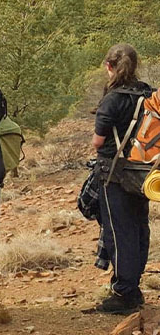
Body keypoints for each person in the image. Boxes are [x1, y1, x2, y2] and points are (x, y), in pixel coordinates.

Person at [93, 43, 153, 314]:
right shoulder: (148, 93)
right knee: (139, 228)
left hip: (114, 173)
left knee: (119, 232)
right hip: (144, 172)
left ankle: (124, 293)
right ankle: (133, 287)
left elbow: (98, 142)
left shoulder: (112, 99)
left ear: (109, 66)